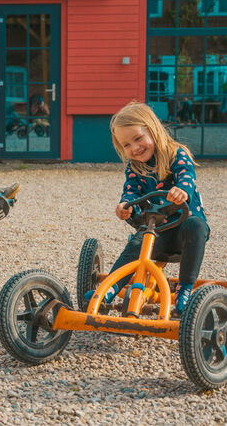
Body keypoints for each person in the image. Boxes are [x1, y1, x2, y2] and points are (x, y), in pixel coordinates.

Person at [86, 101, 209, 315]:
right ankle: (110, 288)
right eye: (126, 145)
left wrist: (182, 190)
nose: (134, 148)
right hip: (157, 231)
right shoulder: (135, 167)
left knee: (196, 225)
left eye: (138, 138)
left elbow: (187, 177)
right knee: (137, 242)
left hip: (184, 233)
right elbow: (131, 191)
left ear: (153, 130)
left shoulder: (176, 154)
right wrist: (125, 206)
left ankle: (184, 289)